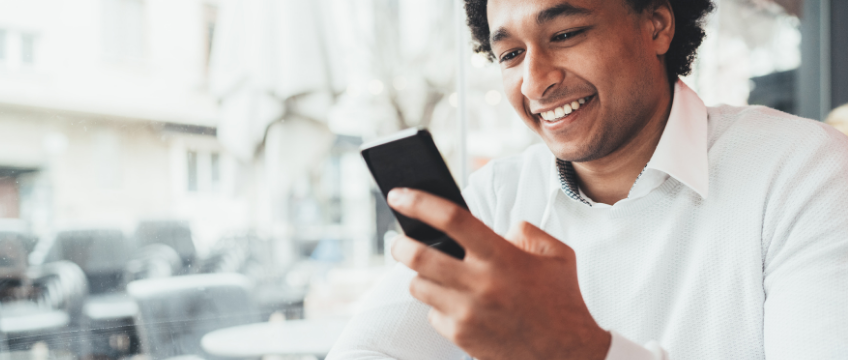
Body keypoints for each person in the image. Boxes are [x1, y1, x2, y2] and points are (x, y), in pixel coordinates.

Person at [328, 0, 848, 359]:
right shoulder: (496, 198)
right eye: (510, 54)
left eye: (565, 34)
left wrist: (576, 349)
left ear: (657, 25)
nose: (535, 81)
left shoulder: (806, 170)